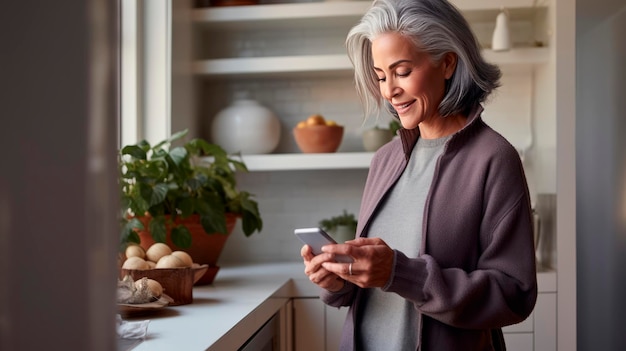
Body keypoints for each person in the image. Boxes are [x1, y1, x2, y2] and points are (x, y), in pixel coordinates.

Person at [299, 0, 538, 350]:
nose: (388, 90)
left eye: (402, 71)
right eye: (381, 76)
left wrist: (400, 273)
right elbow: (375, 287)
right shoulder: (385, 159)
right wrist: (338, 280)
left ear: (447, 63)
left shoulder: (494, 158)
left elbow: (514, 293)